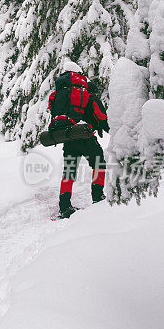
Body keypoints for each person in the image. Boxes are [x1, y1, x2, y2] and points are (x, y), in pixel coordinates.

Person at [47, 65, 110, 218]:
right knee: (99, 164)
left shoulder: (66, 98)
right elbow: (102, 117)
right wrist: (109, 128)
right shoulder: (91, 98)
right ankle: (98, 197)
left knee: (69, 170)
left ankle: (65, 206)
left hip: (69, 137)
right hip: (85, 136)